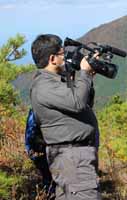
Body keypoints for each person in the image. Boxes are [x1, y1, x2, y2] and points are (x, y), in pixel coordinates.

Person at [30, 34, 100, 200]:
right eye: (63, 54)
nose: (66, 57)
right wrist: (84, 72)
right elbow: (77, 103)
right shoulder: (44, 86)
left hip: (73, 156)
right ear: (52, 58)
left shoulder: (54, 82)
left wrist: (87, 78)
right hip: (72, 158)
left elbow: (84, 103)